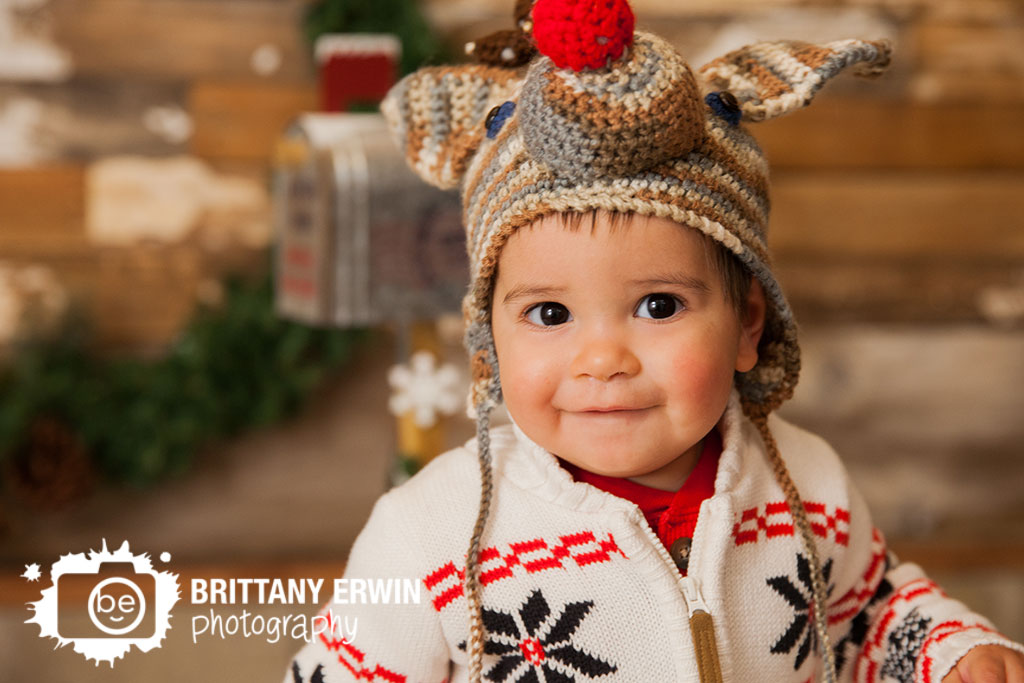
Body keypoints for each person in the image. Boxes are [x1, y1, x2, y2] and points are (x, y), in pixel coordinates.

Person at [286, 0, 1024, 681]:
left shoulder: (807, 484)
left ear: (747, 325)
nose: (604, 359)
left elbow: (866, 612)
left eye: (659, 304)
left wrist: (945, 649)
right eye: (549, 315)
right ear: (489, 341)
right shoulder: (432, 536)